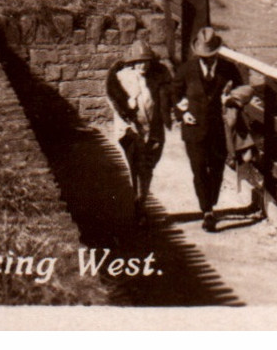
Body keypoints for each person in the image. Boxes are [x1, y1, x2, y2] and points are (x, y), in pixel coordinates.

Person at [173, 26, 249, 230]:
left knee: (216, 170)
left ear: (216, 53)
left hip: (219, 130)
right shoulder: (186, 70)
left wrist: (231, 99)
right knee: (198, 169)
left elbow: (242, 91)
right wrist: (182, 113)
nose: (206, 59)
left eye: (210, 56)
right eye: (202, 56)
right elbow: (173, 95)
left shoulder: (229, 69)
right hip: (194, 129)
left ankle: (211, 201)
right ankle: (207, 211)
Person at [106, 40, 174, 225]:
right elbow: (113, 99)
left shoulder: (157, 77)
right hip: (131, 131)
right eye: (139, 61)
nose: (143, 65)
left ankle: (140, 201)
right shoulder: (121, 77)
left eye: (146, 61)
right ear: (131, 62)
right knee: (138, 166)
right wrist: (127, 107)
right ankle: (140, 207)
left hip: (153, 130)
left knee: (148, 168)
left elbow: (167, 97)